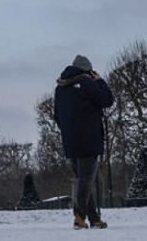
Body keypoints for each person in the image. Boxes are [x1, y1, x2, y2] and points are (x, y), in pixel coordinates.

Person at [54, 54, 114, 230]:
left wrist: (69, 131)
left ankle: (94, 219)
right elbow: (107, 100)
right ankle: (79, 217)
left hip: (70, 141)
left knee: (82, 180)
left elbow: (57, 116)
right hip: (89, 138)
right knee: (86, 180)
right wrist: (100, 81)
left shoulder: (60, 88)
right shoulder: (87, 83)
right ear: (88, 70)